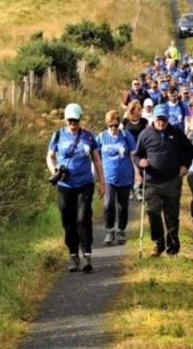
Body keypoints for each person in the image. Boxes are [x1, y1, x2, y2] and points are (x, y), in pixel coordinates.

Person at [46, 103, 105, 273]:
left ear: (80, 119)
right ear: (66, 120)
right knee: (68, 221)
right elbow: (50, 157)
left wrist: (102, 182)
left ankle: (86, 254)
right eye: (70, 121)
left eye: (75, 121)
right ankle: (73, 255)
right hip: (65, 185)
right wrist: (55, 170)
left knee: (83, 218)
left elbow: (97, 160)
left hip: (85, 183)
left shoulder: (88, 136)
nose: (73, 124)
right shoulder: (58, 135)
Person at [132, 104, 193, 257]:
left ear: (168, 119)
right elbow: (136, 154)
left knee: (171, 214)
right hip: (152, 181)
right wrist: (140, 163)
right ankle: (158, 243)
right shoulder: (145, 134)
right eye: (159, 119)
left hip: (172, 180)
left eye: (164, 120)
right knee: (153, 212)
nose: (161, 123)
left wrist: (185, 165)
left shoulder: (176, 133)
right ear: (154, 118)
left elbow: (189, 149)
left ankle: (172, 245)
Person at [96, 110, 136, 246]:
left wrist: (138, 174)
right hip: (108, 178)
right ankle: (110, 230)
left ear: (119, 124)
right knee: (108, 204)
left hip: (125, 177)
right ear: (107, 125)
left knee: (123, 206)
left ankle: (121, 230)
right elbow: (94, 156)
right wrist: (96, 176)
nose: (113, 128)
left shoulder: (126, 135)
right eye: (110, 125)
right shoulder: (101, 137)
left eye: (116, 125)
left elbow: (133, 154)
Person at [121, 100, 149, 200]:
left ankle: (138, 190)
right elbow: (120, 133)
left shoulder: (144, 121)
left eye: (140, 108)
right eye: (138, 108)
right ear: (132, 110)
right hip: (129, 148)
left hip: (141, 148)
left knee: (140, 169)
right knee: (130, 170)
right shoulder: (125, 121)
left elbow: (149, 133)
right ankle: (130, 190)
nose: (140, 110)